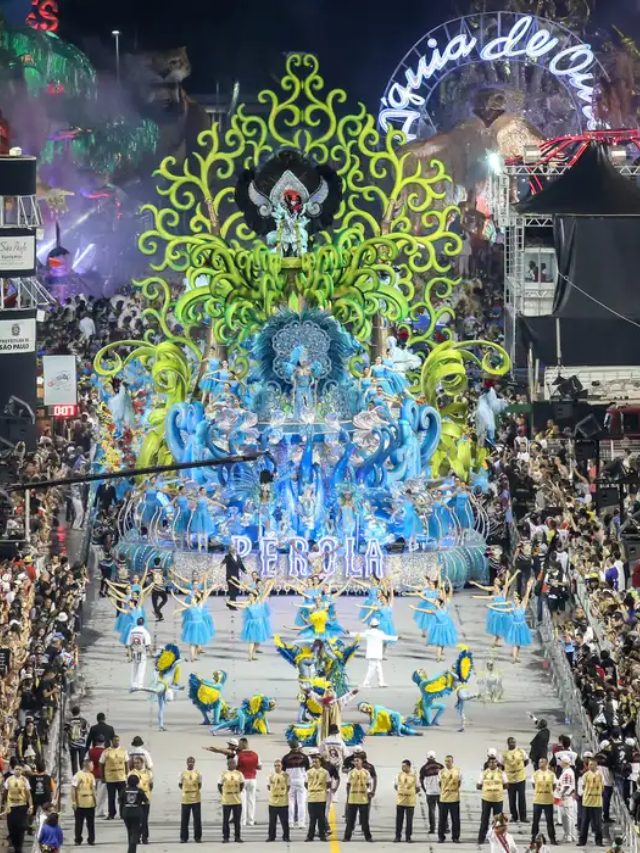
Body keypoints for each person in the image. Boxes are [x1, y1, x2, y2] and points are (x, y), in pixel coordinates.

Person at [353, 617, 397, 687]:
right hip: (378, 653)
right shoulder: (380, 633)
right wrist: (396, 637)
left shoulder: (367, 632)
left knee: (378, 668)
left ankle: (381, 682)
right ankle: (366, 683)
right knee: (373, 668)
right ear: (378, 625)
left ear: (370, 625)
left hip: (371, 653)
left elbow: (359, 634)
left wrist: (349, 633)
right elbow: (388, 637)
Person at [477, 754, 508, 844]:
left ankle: (498, 839)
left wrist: (496, 789)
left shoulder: (501, 773)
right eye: (490, 762)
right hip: (486, 799)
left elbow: (506, 785)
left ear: (497, 763)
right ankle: (481, 838)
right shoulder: (484, 773)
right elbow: (478, 785)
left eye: (494, 762)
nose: (492, 764)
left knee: (498, 821)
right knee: (484, 819)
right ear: (488, 763)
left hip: (498, 800)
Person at [4, 764, 33, 853]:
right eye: (16, 769)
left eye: (20, 769)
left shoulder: (25, 780)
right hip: (11, 808)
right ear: (14, 770)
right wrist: (4, 805)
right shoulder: (9, 780)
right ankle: (14, 844)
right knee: (12, 829)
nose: (18, 771)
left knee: (20, 829)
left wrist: (31, 806)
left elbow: (28, 795)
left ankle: (19, 848)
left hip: (21, 807)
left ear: (22, 771)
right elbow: (5, 793)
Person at [282, 738, 310, 830]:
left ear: (290, 747)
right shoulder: (304, 757)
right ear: (298, 746)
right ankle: (301, 823)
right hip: (301, 780)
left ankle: (290, 823)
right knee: (301, 803)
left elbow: (283, 771)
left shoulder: (286, 757)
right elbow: (308, 770)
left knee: (291, 802)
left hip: (290, 781)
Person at [501, 736, 529, 823]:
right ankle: (514, 816)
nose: (513, 744)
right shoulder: (504, 754)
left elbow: (526, 761)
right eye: (511, 742)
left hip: (520, 777)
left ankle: (523, 817)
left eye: (514, 742)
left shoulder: (521, 751)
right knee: (512, 799)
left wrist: (519, 768)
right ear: (508, 743)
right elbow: (500, 765)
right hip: (510, 779)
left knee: (522, 798)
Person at [344, 755, 372, 843]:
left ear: (361, 762)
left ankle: (368, 837)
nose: (356, 762)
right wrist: (348, 795)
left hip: (363, 799)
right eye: (355, 761)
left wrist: (369, 792)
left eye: (357, 761)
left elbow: (369, 783)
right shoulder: (351, 772)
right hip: (353, 799)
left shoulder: (366, 772)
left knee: (364, 820)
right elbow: (348, 784)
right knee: (350, 820)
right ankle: (347, 837)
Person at [100, 734, 128, 819]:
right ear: (112, 741)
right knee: (111, 797)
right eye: (115, 740)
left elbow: (126, 763)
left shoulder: (123, 751)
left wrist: (128, 775)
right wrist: (102, 777)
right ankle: (111, 814)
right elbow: (101, 764)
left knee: (122, 797)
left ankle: (123, 813)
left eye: (118, 740)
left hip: (121, 777)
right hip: (110, 778)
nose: (117, 742)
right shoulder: (106, 752)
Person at [235, 737, 261, 828]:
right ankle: (251, 820)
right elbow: (259, 766)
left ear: (241, 744)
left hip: (242, 779)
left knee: (242, 801)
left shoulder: (239, 755)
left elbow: (235, 767)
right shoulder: (255, 754)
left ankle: (243, 821)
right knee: (251, 800)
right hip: (253, 779)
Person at [578, 757, 603, 846]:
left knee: (598, 824)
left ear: (596, 765)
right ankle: (582, 841)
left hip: (597, 803)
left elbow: (602, 787)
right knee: (585, 822)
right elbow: (583, 787)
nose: (590, 766)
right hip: (587, 802)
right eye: (589, 764)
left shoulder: (600, 775)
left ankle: (599, 841)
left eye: (592, 764)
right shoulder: (585, 775)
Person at [531, 757, 557, 844]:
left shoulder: (551, 774)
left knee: (550, 821)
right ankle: (534, 837)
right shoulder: (535, 774)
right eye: (539, 762)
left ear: (546, 763)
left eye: (542, 762)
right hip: (537, 801)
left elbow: (554, 786)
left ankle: (552, 838)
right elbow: (533, 785)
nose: (540, 763)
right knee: (535, 821)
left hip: (548, 801)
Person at [120, 774, 149, 853]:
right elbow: (146, 801)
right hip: (137, 813)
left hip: (126, 813)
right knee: (135, 832)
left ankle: (130, 847)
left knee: (129, 831)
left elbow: (121, 802)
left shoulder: (124, 791)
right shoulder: (139, 791)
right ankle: (132, 850)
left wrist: (121, 813)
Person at [71, 758, 96, 846]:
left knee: (91, 823)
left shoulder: (91, 776)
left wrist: (95, 800)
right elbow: (73, 788)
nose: (93, 766)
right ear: (87, 765)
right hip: (80, 803)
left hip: (90, 803)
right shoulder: (78, 775)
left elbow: (93, 789)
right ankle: (78, 839)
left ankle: (91, 839)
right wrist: (74, 801)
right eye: (92, 765)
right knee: (79, 823)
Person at [219, 756, 244, 843]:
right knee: (226, 820)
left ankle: (237, 836)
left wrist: (236, 792)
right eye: (230, 763)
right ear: (227, 764)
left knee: (237, 820)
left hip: (237, 800)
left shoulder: (239, 773)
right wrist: (224, 794)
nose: (232, 764)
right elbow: (219, 785)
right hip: (226, 801)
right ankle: (226, 837)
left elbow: (241, 784)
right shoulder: (223, 773)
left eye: (233, 763)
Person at [305, 753, 329, 842]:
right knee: (312, 818)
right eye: (313, 761)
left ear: (320, 762)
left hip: (321, 797)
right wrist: (312, 789)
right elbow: (306, 784)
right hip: (312, 797)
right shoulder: (309, 772)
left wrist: (322, 790)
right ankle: (310, 836)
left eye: (316, 762)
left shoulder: (325, 772)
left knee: (321, 818)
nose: (314, 763)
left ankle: (322, 835)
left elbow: (328, 783)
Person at [438, 754, 462, 843]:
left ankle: (455, 837)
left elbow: (459, 783)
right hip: (444, 799)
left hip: (454, 799)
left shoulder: (458, 771)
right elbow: (440, 784)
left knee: (455, 820)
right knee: (442, 820)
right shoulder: (441, 772)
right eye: (446, 761)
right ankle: (441, 837)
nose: (447, 763)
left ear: (452, 761)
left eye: (449, 761)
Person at [179, 756, 202, 844]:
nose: (191, 763)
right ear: (187, 763)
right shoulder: (182, 773)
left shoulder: (198, 773)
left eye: (192, 762)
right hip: (185, 800)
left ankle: (197, 837)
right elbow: (180, 784)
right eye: (189, 762)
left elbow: (200, 784)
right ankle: (184, 838)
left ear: (194, 763)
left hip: (196, 799)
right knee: (184, 820)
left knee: (197, 819)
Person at [394, 759, 419, 843]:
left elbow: (418, 788)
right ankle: (398, 836)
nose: (402, 768)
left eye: (404, 766)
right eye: (402, 766)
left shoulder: (414, 775)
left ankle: (408, 837)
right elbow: (395, 786)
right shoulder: (399, 775)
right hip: (400, 802)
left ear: (409, 766)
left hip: (410, 802)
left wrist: (410, 793)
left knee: (409, 821)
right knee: (399, 821)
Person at [420, 750, 443, 834]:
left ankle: (432, 828)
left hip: (430, 792)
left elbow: (421, 780)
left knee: (431, 811)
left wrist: (425, 790)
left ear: (427, 757)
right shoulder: (440, 766)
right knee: (442, 811)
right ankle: (445, 827)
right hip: (440, 792)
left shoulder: (424, 768)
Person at [130, 756, 152, 844]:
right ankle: (136, 837)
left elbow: (151, 785)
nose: (136, 764)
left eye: (138, 763)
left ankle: (145, 837)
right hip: (135, 800)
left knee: (144, 820)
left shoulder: (148, 773)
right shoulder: (131, 773)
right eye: (135, 763)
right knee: (136, 820)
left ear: (142, 763)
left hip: (145, 799)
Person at [267, 758, 290, 842]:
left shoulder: (286, 775)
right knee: (272, 821)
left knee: (284, 822)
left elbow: (288, 787)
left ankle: (286, 836)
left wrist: (282, 793)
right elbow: (269, 787)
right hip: (273, 802)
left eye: (279, 766)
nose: (277, 767)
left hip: (283, 802)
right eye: (275, 766)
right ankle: (271, 836)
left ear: (282, 766)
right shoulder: (270, 775)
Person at [556, 752, 577, 843]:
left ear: (565, 762)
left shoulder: (567, 773)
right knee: (565, 817)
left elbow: (567, 786)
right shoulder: (566, 771)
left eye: (561, 761)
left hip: (565, 797)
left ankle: (569, 835)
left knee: (567, 817)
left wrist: (561, 794)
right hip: (564, 796)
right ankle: (568, 834)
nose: (560, 762)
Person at [127, 617, 152, 691]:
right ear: (143, 623)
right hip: (142, 652)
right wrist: (151, 654)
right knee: (141, 668)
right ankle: (140, 684)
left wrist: (129, 655)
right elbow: (147, 644)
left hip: (134, 651)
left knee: (134, 668)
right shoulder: (145, 631)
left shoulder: (132, 631)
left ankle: (133, 684)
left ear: (137, 622)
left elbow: (128, 644)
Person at [65, 706, 89, 775]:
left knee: (73, 762)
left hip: (72, 745)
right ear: (79, 712)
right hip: (82, 745)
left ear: (72, 713)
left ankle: (75, 777)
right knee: (82, 761)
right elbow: (87, 731)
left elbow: (65, 731)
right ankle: (83, 775)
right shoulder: (84, 721)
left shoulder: (68, 721)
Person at [88, 735, 107, 818]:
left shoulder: (90, 751)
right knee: (101, 795)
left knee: (92, 793)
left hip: (92, 774)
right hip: (102, 775)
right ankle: (99, 811)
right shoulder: (106, 751)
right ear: (104, 742)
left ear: (96, 742)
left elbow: (87, 761)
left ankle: (91, 809)